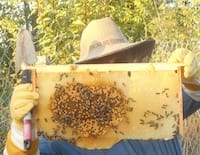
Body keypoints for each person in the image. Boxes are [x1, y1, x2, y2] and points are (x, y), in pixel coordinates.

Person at [4, 17, 200, 155]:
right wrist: (23, 130)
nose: (112, 74)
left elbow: (193, 97)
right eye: (102, 66)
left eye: (122, 62)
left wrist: (190, 80)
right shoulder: (63, 134)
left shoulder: (157, 104)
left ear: (134, 63)